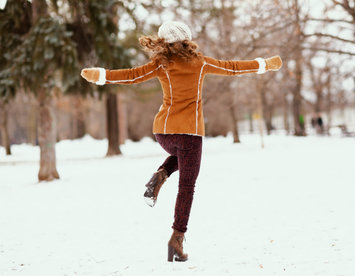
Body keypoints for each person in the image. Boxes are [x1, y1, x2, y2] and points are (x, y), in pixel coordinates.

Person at [80, 21, 282, 262]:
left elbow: (132, 76)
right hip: (190, 133)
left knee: (179, 155)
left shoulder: (161, 64)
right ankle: (176, 240)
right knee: (187, 188)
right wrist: (265, 64)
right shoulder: (201, 62)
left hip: (163, 132)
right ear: (187, 39)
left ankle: (161, 175)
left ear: (165, 41)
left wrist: (101, 75)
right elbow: (232, 68)